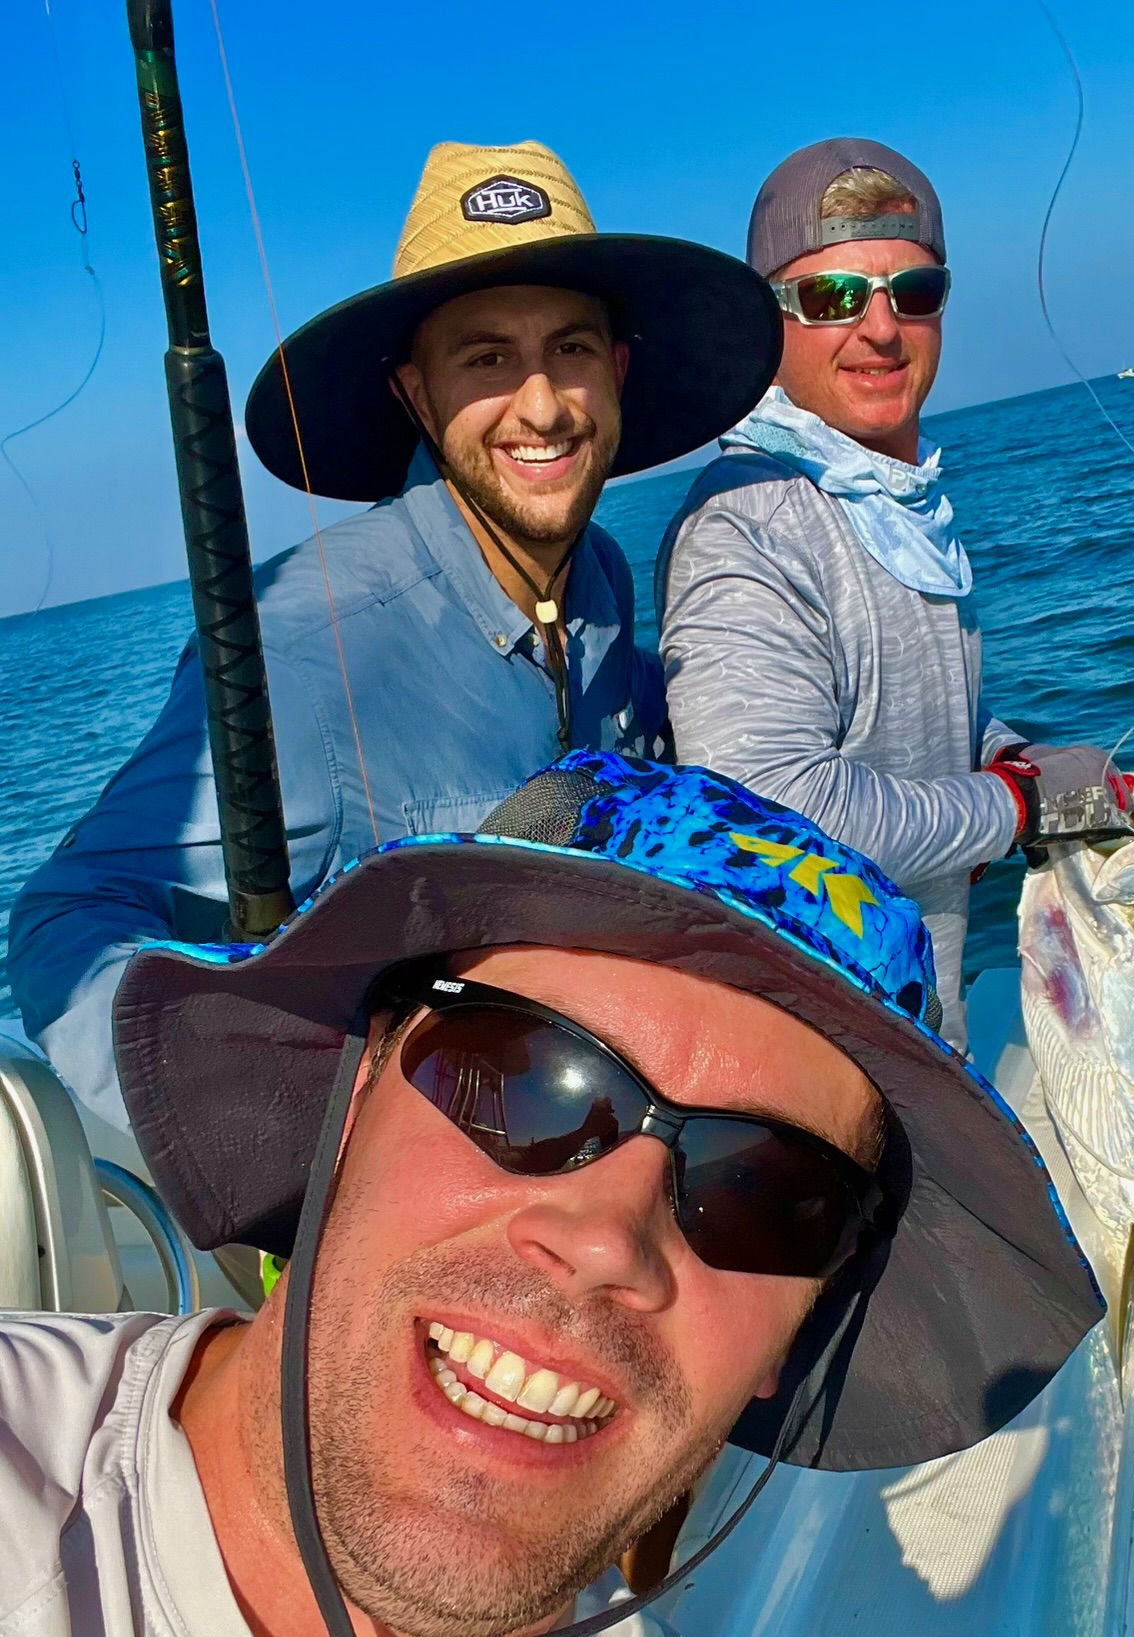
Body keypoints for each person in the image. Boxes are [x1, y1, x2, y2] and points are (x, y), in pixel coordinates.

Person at [0, 750, 1101, 1637]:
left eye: (762, 1191)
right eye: (520, 1079)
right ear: (356, 1094)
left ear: (795, 1339)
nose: (607, 1239)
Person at [7, 139, 780, 1126]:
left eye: (571, 350)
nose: (541, 403)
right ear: (418, 393)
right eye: (488, 357)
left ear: (617, 372)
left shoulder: (601, 586)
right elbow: (64, 921)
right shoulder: (300, 645)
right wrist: (279, 1129)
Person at [658, 138, 1134, 1043]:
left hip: (921, 1035)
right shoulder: (746, 526)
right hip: (822, 1069)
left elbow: (890, 722)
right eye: (833, 297)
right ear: (767, 325)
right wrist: (1021, 807)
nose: (880, 328)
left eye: (912, 293)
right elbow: (774, 813)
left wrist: (1014, 756)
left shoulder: (891, 502)